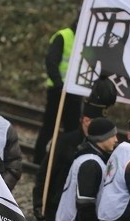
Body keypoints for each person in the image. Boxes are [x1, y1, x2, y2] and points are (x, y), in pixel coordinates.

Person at [35, 77, 117, 221]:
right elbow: (45, 172)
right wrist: (38, 201)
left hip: (84, 216)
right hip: (57, 210)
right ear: (86, 121)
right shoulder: (65, 141)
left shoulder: (104, 149)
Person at [54, 117, 119, 221]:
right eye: (112, 135)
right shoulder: (91, 163)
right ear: (101, 138)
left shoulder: (91, 158)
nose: (116, 140)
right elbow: (85, 204)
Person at [32, 20, 83, 165]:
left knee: (72, 130)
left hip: (74, 93)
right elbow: (51, 61)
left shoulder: (86, 40)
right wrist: (59, 84)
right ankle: (38, 160)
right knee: (49, 126)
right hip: (58, 91)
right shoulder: (63, 36)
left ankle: (65, 163)